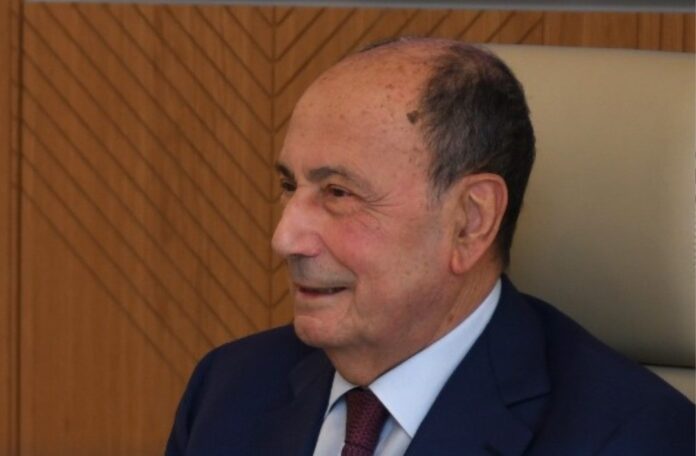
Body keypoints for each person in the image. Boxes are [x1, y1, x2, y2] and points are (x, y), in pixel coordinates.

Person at [165, 37, 694, 455]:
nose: (284, 239)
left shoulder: (633, 437)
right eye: (289, 185)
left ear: (469, 221)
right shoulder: (230, 389)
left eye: (338, 193)